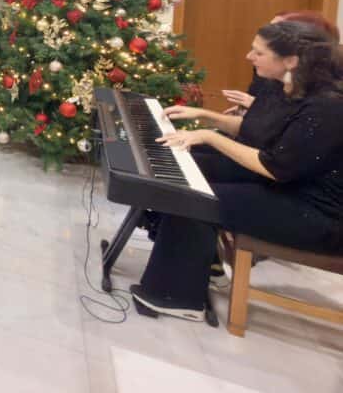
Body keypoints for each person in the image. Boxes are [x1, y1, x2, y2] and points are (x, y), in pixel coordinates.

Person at [130, 21, 343, 322]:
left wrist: (209, 136)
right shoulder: (291, 87)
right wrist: (206, 117)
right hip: (290, 187)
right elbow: (260, 132)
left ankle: (177, 298)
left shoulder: (327, 106)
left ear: (291, 60)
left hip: (319, 214)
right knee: (187, 171)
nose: (249, 57)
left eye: (259, 52)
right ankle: (203, 267)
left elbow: (274, 166)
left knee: (196, 197)